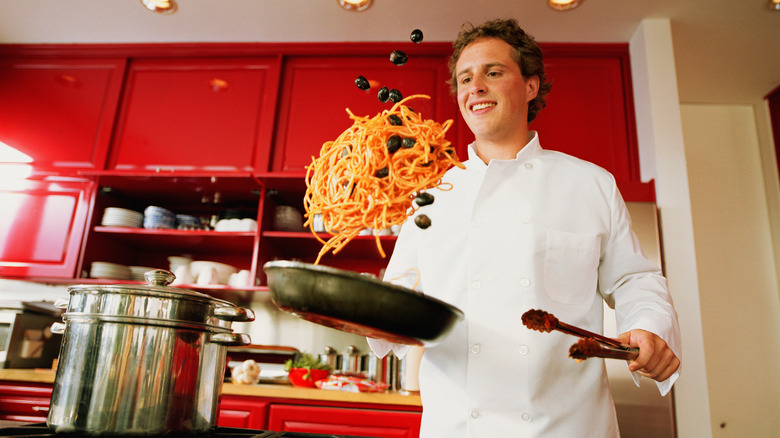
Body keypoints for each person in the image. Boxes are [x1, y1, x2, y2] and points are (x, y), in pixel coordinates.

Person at [368, 18, 681, 437]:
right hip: (457, 426)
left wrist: (649, 326)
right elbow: (396, 303)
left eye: (492, 72)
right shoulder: (432, 195)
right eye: (464, 77)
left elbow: (634, 279)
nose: (474, 86)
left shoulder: (589, 184)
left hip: (565, 427)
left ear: (531, 86)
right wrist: (361, 312)